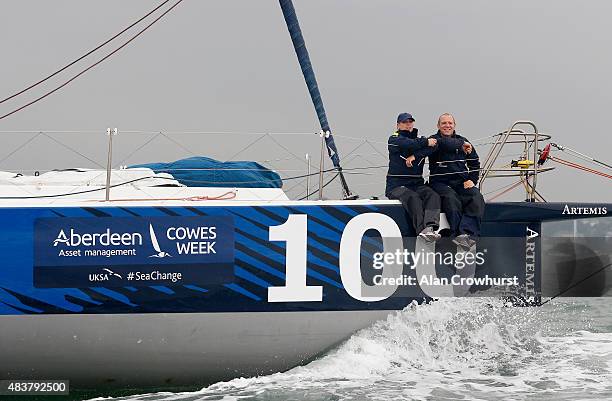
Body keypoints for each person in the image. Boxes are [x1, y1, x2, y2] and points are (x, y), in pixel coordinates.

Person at [423, 113, 485, 249]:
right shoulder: (433, 140)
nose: (447, 125)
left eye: (450, 123)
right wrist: (461, 145)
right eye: (444, 123)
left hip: (461, 182)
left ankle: (467, 235)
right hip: (440, 183)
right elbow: (443, 144)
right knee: (452, 199)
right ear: (438, 126)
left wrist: (472, 179)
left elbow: (474, 162)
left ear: (454, 125)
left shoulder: (464, 140)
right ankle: (456, 234)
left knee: (476, 196)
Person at [386, 112, 441, 242]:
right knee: (413, 198)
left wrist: (415, 156)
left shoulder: (419, 140)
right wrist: (426, 142)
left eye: (410, 122)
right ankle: (421, 230)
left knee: (432, 195)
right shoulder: (394, 139)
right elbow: (408, 144)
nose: (408, 124)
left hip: (416, 184)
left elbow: (435, 147)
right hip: (396, 185)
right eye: (405, 122)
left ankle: (430, 228)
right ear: (398, 125)